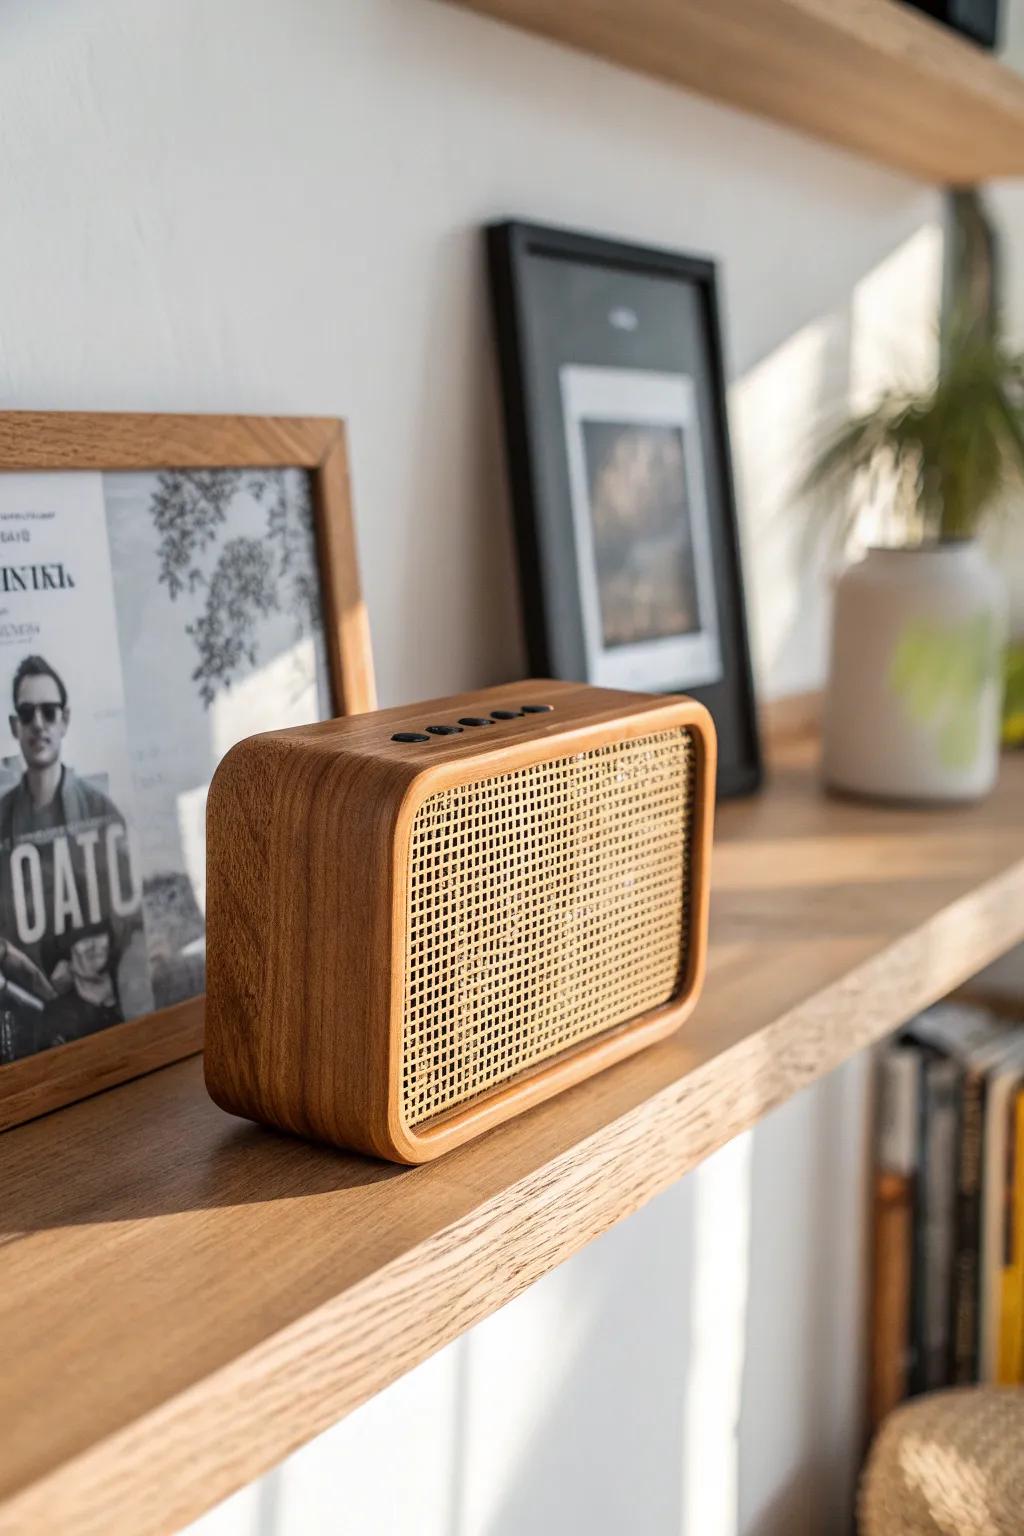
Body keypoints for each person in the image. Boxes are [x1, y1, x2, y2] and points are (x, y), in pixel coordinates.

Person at [0, 656, 138, 1060]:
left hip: (102, 1037)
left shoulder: (101, 814)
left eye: (49, 711)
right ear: (15, 727)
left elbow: (127, 931)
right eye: (27, 713)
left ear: (65, 720)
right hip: (23, 1041)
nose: (39, 723)